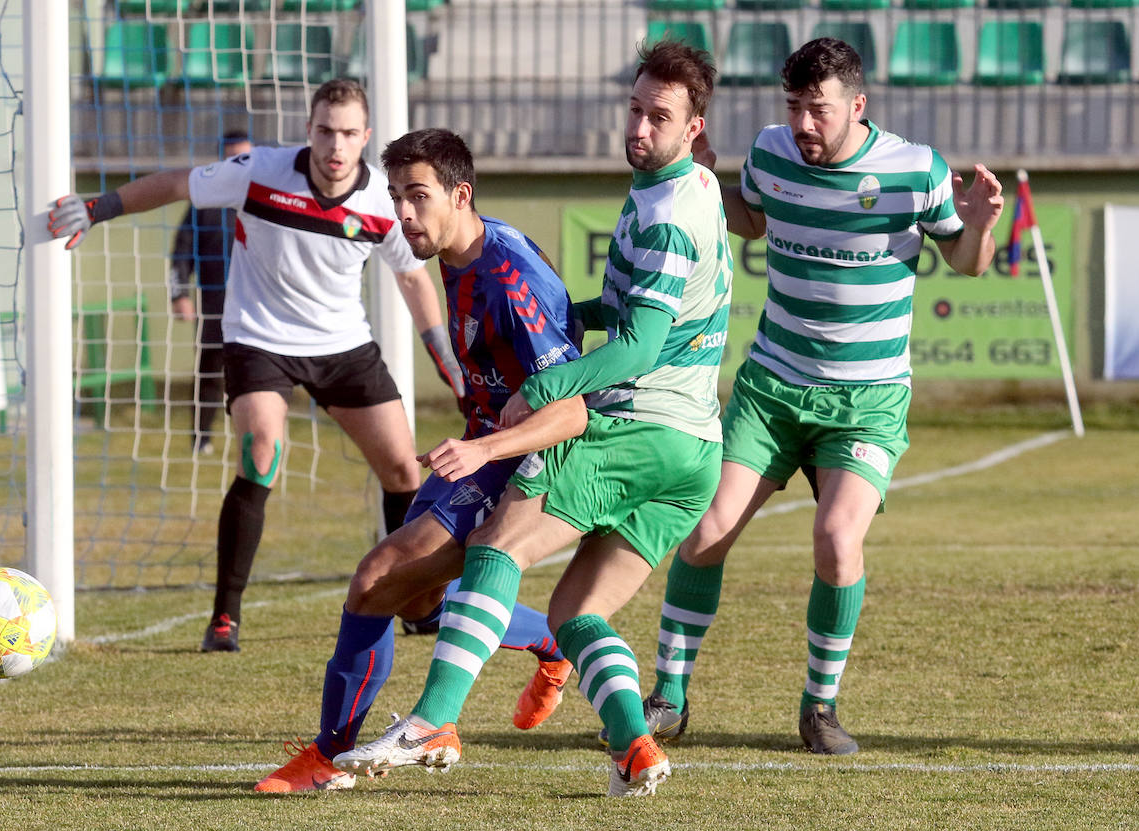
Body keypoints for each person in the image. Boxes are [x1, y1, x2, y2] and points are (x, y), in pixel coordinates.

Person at [332, 40, 734, 798]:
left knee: (493, 545)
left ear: (694, 128)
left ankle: (432, 720)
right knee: (578, 614)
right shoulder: (698, 189)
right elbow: (634, 312)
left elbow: (641, 346)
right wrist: (566, 311)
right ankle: (636, 748)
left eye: (662, 117)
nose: (642, 128)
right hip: (695, 454)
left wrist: (549, 385)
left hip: (640, 429)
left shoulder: (667, 213)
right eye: (637, 109)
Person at [628, 37, 1005, 755]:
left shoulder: (914, 169)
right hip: (772, 388)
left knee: (837, 540)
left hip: (866, 399)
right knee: (704, 532)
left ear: (857, 106)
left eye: (819, 110)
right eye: (794, 106)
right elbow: (753, 217)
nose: (804, 124)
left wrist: (981, 227)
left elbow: (965, 261)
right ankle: (669, 693)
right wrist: (711, 182)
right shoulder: (771, 152)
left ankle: (819, 706)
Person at [47, 79, 467, 653]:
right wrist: (97, 208)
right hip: (257, 338)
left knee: (402, 469)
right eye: (325, 131)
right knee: (260, 452)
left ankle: (413, 605)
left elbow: (413, 276)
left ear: (365, 137)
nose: (336, 146)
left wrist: (440, 349)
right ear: (308, 131)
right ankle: (225, 617)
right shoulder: (258, 171)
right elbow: (175, 184)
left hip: (343, 345)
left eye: (348, 133)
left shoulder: (380, 203)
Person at [254, 127, 587, 794]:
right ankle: (551, 642)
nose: (403, 214)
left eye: (419, 197)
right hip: (487, 442)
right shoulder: (459, 249)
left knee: (378, 575)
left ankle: (329, 755)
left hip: (538, 456)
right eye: (397, 197)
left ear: (460, 196)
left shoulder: (509, 279)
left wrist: (489, 447)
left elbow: (574, 406)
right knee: (422, 596)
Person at [169, 130, 252, 455]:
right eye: (231, 157)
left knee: (258, 371)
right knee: (209, 370)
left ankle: (259, 435)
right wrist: (179, 295)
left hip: (259, 304)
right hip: (215, 304)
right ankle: (201, 438)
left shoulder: (265, 198)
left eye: (243, 157)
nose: (237, 163)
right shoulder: (204, 202)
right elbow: (181, 251)